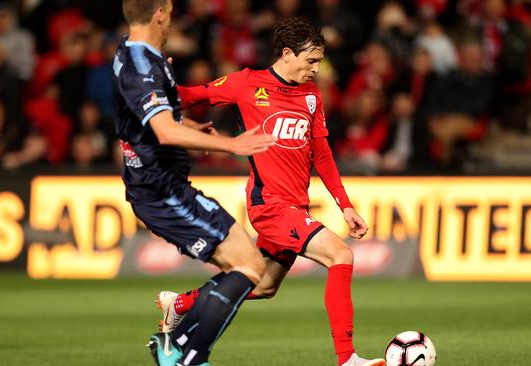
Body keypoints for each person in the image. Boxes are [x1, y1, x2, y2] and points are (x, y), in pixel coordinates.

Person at [161, 17, 385, 366]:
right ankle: (348, 359)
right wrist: (160, 83)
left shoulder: (311, 95)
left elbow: (321, 153)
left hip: (296, 207)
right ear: (286, 54)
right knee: (341, 255)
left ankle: (179, 304)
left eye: (319, 61)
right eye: (311, 60)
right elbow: (192, 96)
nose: (316, 68)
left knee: (263, 286)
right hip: (269, 206)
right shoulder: (246, 84)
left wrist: (345, 205)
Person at [113, 1, 277, 365]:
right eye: (170, 10)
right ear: (160, 12)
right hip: (161, 190)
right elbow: (164, 131)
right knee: (249, 267)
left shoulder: (134, 54)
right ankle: (188, 354)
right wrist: (230, 145)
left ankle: (177, 345)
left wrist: (191, 127)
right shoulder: (143, 65)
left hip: (163, 187)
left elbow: (150, 116)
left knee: (250, 265)